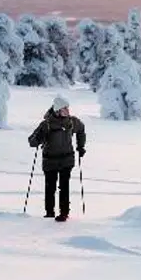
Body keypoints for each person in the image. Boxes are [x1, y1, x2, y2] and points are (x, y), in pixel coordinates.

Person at [28, 94, 86, 222]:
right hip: (50, 161)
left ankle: (64, 213)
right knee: (50, 187)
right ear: (58, 110)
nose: (68, 111)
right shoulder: (46, 124)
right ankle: (49, 213)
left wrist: (81, 146)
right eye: (65, 109)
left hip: (67, 160)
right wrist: (38, 138)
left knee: (64, 187)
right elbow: (31, 141)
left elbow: (81, 130)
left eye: (67, 108)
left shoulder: (72, 121)